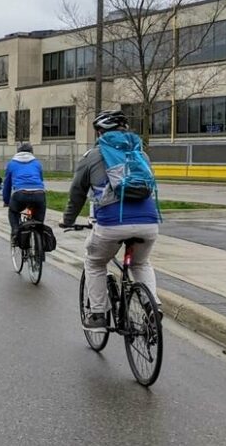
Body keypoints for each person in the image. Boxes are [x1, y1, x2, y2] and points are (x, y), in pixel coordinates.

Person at [60, 110, 160, 333]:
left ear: (99, 133)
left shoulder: (92, 156)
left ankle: (97, 314)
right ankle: (153, 307)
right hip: (149, 222)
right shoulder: (141, 155)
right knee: (140, 263)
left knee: (95, 262)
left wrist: (68, 220)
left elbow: (77, 192)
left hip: (111, 223)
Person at [2, 142, 46, 245]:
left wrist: (6, 201)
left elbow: (7, 185)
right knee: (39, 223)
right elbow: (41, 180)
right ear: (31, 152)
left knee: (13, 212)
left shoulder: (12, 163)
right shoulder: (37, 163)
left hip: (20, 194)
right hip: (39, 194)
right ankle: (40, 246)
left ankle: (15, 232)